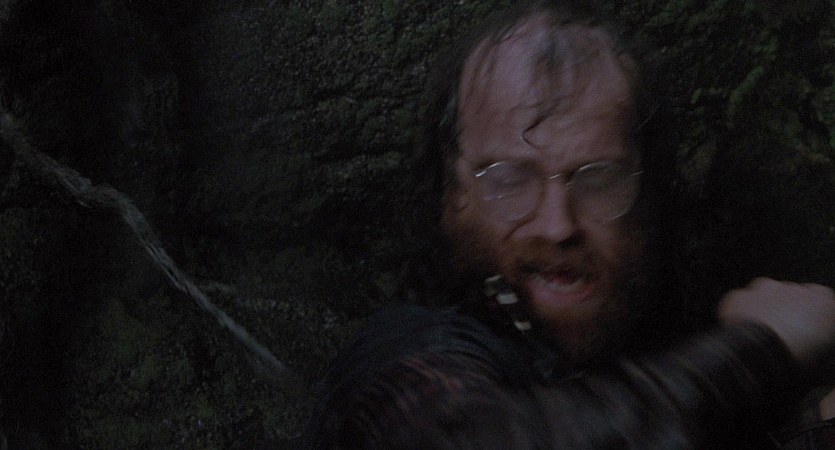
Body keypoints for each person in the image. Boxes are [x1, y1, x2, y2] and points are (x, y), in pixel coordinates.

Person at [307, 1, 835, 448]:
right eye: (510, 179)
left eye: (599, 179)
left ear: (651, 198)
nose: (558, 225)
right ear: (452, 201)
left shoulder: (662, 341)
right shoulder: (399, 359)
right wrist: (762, 347)